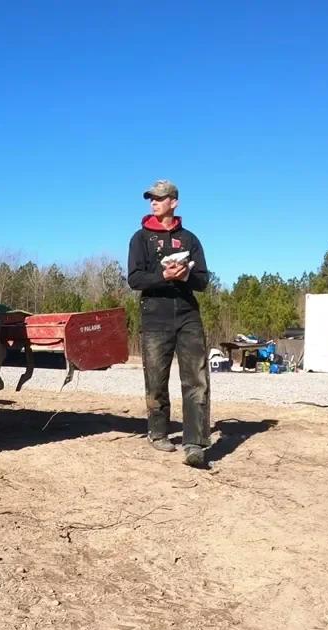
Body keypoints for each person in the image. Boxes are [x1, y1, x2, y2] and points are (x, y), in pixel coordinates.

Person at [127, 180, 211, 468]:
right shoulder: (140, 238)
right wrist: (163, 276)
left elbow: (203, 280)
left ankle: (195, 443)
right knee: (156, 380)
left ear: (174, 202)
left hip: (188, 314)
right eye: (151, 198)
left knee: (196, 379)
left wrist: (185, 275)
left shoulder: (189, 239)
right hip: (155, 314)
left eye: (160, 198)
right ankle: (158, 432)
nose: (154, 202)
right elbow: (134, 279)